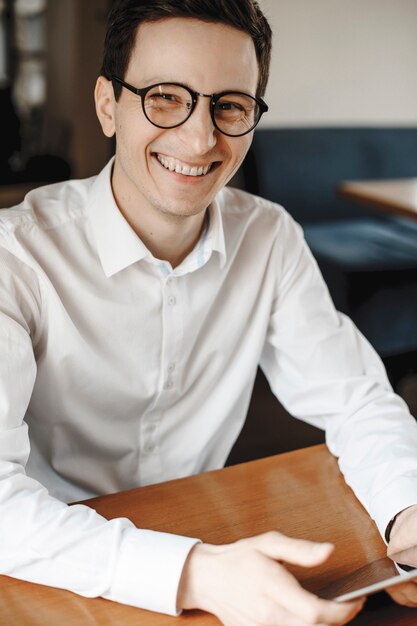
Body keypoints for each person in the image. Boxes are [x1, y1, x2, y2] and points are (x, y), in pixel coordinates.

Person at [1, 1, 417, 624]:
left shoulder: (270, 237)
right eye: (166, 97)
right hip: (50, 564)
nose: (200, 140)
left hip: (208, 543)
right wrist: (193, 573)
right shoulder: (16, 255)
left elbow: (355, 399)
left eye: (230, 105)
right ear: (108, 105)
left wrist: (408, 512)